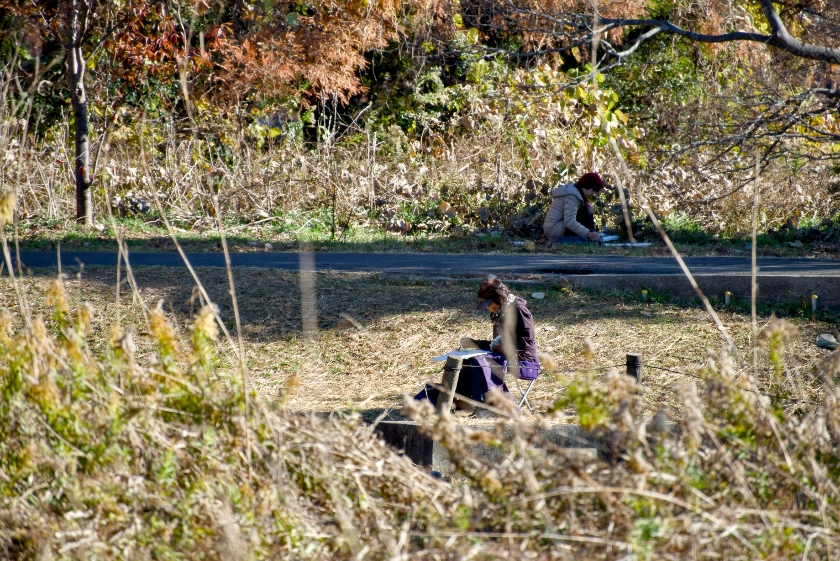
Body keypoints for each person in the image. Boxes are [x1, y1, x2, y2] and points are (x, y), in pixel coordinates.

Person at [415, 278, 539, 412]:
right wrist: (474, 343)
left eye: (488, 303)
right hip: (502, 357)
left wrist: (503, 349)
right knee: (468, 362)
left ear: (499, 298)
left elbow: (526, 344)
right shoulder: (500, 313)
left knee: (479, 362)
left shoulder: (519, 310)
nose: (487, 307)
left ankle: (496, 408)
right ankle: (453, 402)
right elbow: (495, 344)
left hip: (524, 361)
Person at [543, 171, 606, 243]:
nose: (593, 194)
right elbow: (569, 221)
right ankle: (588, 237)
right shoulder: (573, 196)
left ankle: (592, 236)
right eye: (593, 190)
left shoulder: (575, 193)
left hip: (555, 228)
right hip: (554, 230)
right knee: (584, 212)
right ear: (586, 186)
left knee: (587, 209)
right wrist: (588, 233)